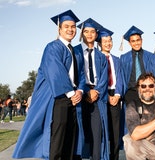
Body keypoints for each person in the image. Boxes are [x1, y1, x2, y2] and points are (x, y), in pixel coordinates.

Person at [13, 10, 85, 159]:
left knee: (70, 138)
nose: (70, 29)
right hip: (59, 98)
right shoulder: (52, 47)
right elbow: (56, 72)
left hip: (74, 98)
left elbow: (82, 75)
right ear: (59, 29)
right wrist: (71, 93)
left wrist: (80, 91)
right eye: (66, 26)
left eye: (73, 26)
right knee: (57, 139)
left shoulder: (75, 52)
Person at [74, 18, 109, 160]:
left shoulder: (101, 55)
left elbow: (104, 76)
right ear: (81, 33)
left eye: (92, 31)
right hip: (79, 93)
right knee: (78, 131)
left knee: (96, 132)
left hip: (96, 95)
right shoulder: (75, 51)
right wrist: (84, 91)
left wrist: (96, 91)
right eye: (86, 31)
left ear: (96, 34)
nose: (89, 34)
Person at [96, 27, 123, 160]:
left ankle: (115, 157)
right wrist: (106, 95)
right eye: (104, 41)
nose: (108, 43)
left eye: (110, 40)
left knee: (115, 131)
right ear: (99, 43)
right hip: (101, 96)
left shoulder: (117, 60)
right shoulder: (96, 58)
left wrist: (117, 95)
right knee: (101, 130)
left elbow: (120, 79)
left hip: (115, 97)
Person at [120, 25, 154, 105]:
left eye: (138, 40)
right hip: (130, 92)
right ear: (129, 43)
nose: (136, 43)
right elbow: (122, 77)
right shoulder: (124, 58)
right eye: (133, 41)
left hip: (147, 91)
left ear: (142, 40)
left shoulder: (150, 56)